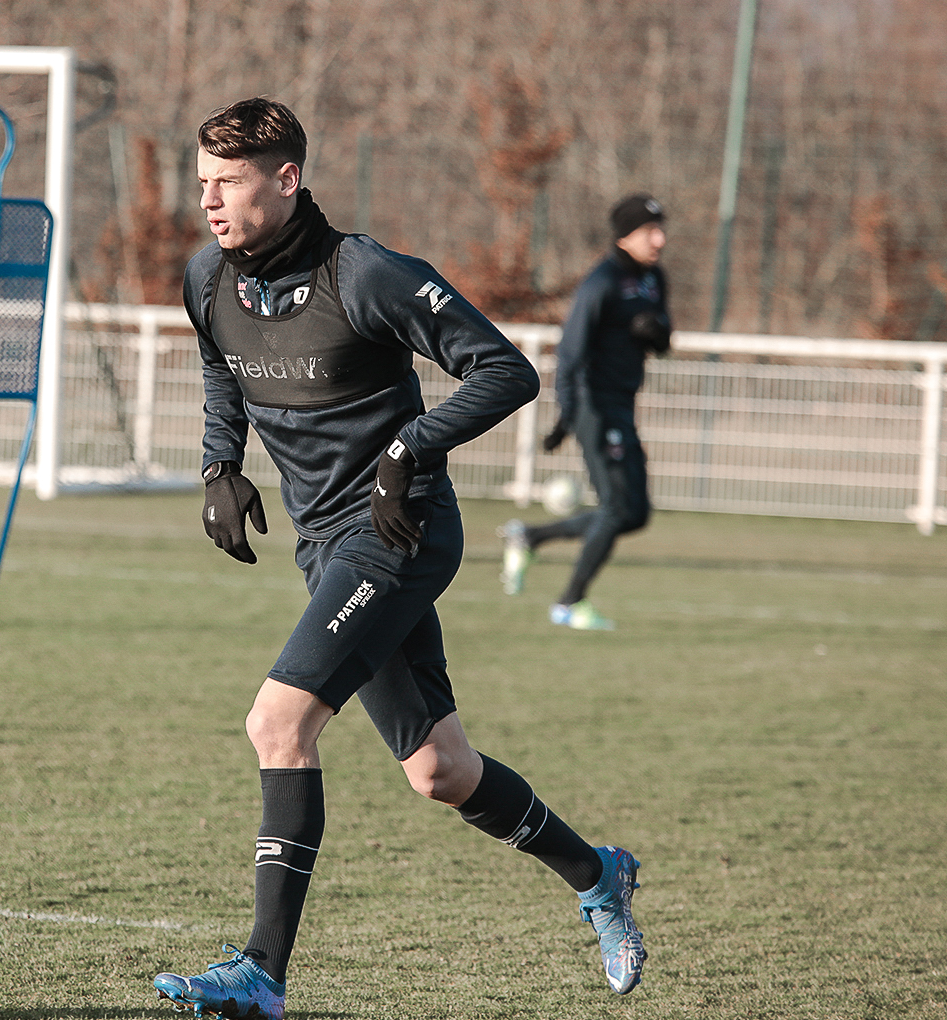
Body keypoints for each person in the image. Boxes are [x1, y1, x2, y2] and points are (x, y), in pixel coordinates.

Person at [151, 99, 645, 1020]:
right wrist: (220, 464)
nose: (208, 202)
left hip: (398, 535)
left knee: (278, 723)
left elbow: (506, 370)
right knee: (440, 772)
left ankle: (262, 971)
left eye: (228, 183)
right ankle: (598, 872)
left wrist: (409, 451)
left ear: (287, 179)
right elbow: (221, 363)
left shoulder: (367, 273)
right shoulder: (208, 279)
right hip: (322, 545)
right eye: (203, 182)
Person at [498, 194, 671, 631]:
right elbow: (571, 353)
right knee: (615, 508)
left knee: (635, 514)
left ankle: (530, 537)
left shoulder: (654, 281)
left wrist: (655, 332)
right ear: (626, 235)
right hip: (595, 407)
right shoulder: (602, 282)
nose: (661, 239)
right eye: (651, 231)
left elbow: (664, 340)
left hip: (623, 406)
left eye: (660, 229)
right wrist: (566, 416)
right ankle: (569, 603)